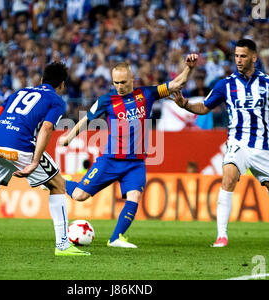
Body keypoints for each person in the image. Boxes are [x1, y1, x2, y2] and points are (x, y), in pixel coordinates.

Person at [0, 62, 90, 257]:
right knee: (57, 185)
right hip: (19, 145)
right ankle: (63, 245)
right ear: (62, 85)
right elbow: (47, 128)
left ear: (41, 80)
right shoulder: (55, 100)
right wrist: (35, 161)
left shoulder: (18, 93)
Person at [59, 54, 199, 248]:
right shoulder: (106, 100)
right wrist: (69, 137)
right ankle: (58, 181)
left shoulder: (146, 94)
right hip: (110, 160)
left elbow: (176, 84)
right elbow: (87, 119)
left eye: (123, 82)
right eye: (116, 82)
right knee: (79, 196)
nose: (119, 86)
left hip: (136, 162)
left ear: (132, 79)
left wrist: (189, 69)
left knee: (134, 196)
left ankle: (116, 238)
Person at [172, 39, 269, 247]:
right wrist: (185, 105)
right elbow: (205, 108)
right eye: (236, 55)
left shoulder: (268, 84)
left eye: (243, 56)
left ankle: (265, 181)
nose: (238, 60)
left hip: (264, 148)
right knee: (228, 177)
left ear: (254, 57)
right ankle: (221, 236)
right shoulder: (225, 84)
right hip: (238, 143)